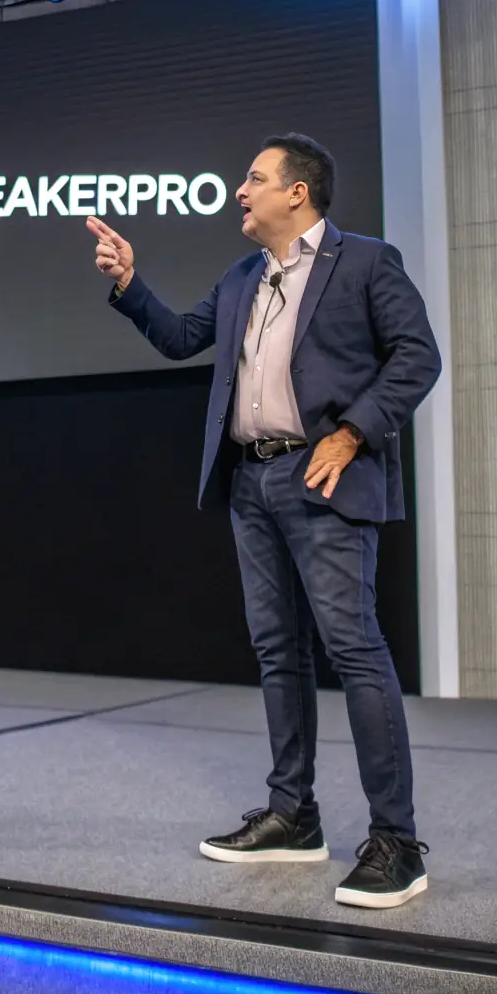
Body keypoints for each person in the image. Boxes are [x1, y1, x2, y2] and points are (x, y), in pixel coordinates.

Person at [86, 133, 441, 910]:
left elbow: (418, 357)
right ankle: (293, 815)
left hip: (325, 474)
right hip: (252, 480)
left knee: (354, 646)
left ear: (297, 193)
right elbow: (181, 338)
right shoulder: (242, 275)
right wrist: (130, 281)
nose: (240, 191)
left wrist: (353, 432)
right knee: (279, 650)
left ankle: (397, 841)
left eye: (254, 178)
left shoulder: (366, 262)